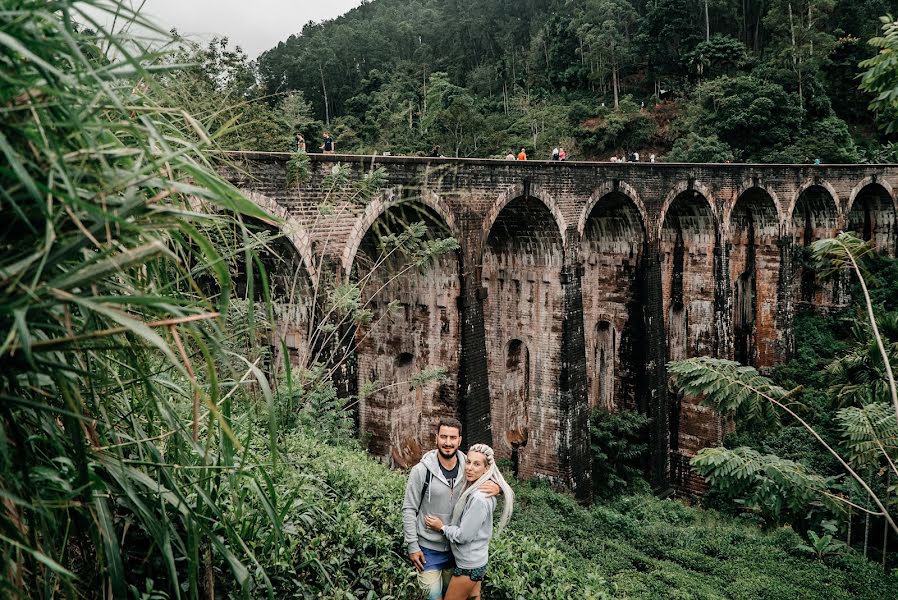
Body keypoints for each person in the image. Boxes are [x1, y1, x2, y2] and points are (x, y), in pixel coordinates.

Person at [402, 419, 500, 600]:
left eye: (453, 437)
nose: (448, 442)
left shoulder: (468, 465)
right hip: (427, 550)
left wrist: (497, 488)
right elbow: (409, 508)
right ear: (436, 438)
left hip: (455, 553)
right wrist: (412, 545)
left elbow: (488, 472)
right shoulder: (421, 471)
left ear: (460, 440)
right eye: (444, 437)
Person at [424, 444, 514, 600]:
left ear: (487, 469)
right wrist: (499, 488)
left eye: (477, 464)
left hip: (469, 564)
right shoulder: (477, 488)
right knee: (474, 597)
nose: (470, 468)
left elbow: (463, 536)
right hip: (477, 559)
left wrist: (442, 527)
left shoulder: (479, 498)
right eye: (468, 462)